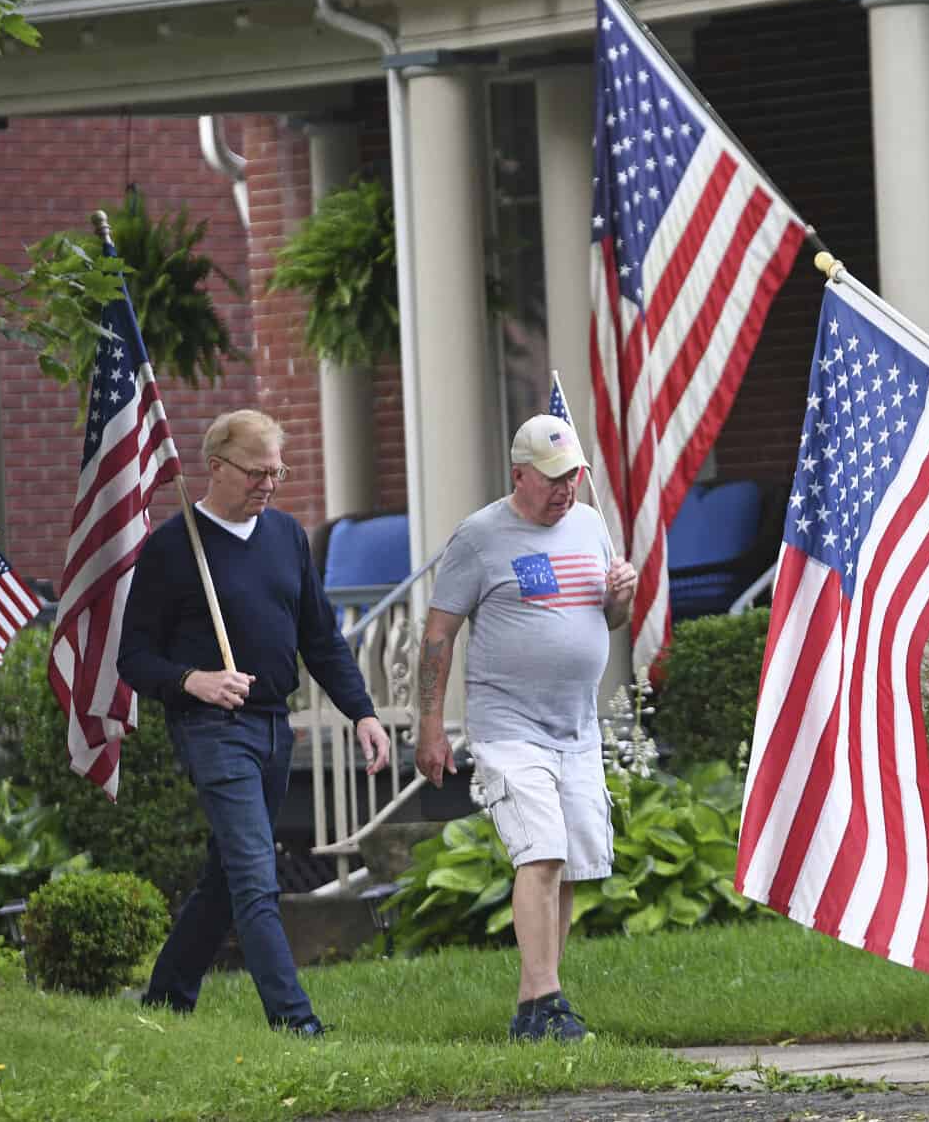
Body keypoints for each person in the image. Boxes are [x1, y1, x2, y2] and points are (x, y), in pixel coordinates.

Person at [121, 409, 391, 1035]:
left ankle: (165, 1001)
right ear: (215, 467)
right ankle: (295, 1023)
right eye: (256, 472)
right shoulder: (172, 547)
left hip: (274, 726)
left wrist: (363, 714)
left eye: (277, 472)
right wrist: (195, 681)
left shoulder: (287, 537)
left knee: (225, 876)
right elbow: (133, 657)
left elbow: (321, 639)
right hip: (212, 730)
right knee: (254, 875)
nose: (268, 484)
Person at [414, 414, 638, 1042]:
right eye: (552, 479)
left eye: (573, 477)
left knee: (566, 864)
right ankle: (545, 999)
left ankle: (539, 1005)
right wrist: (430, 728)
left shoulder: (591, 524)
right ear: (519, 475)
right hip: (508, 726)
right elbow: (438, 635)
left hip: (577, 728)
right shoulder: (481, 537)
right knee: (539, 851)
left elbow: (609, 621)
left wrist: (620, 596)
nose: (565, 489)